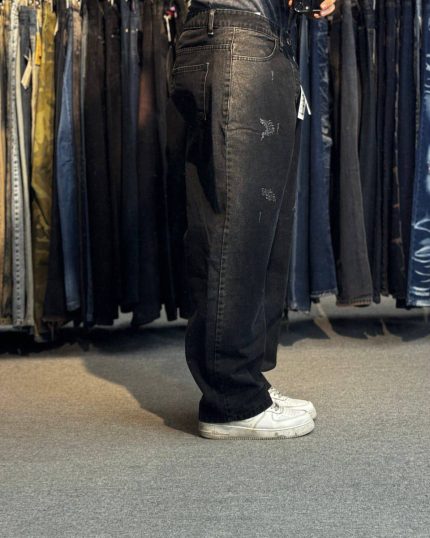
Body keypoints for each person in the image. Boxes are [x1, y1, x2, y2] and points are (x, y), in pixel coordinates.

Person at [170, 0, 336, 439]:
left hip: (244, 36)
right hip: (241, 37)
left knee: (255, 229)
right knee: (238, 232)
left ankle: (247, 385)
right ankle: (232, 402)